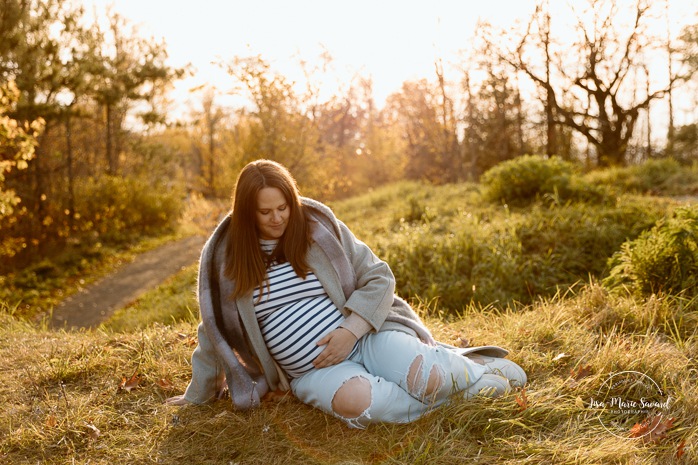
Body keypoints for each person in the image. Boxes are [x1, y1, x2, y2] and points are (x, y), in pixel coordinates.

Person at [166, 159, 526, 428]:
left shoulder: (318, 232)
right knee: (362, 404)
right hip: (311, 373)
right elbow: (213, 332)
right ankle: (456, 396)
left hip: (365, 338)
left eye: (283, 207)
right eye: (265, 212)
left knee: (427, 378)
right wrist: (196, 395)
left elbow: (379, 277)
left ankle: (473, 368)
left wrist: (349, 331)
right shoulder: (229, 263)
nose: (277, 218)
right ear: (247, 214)